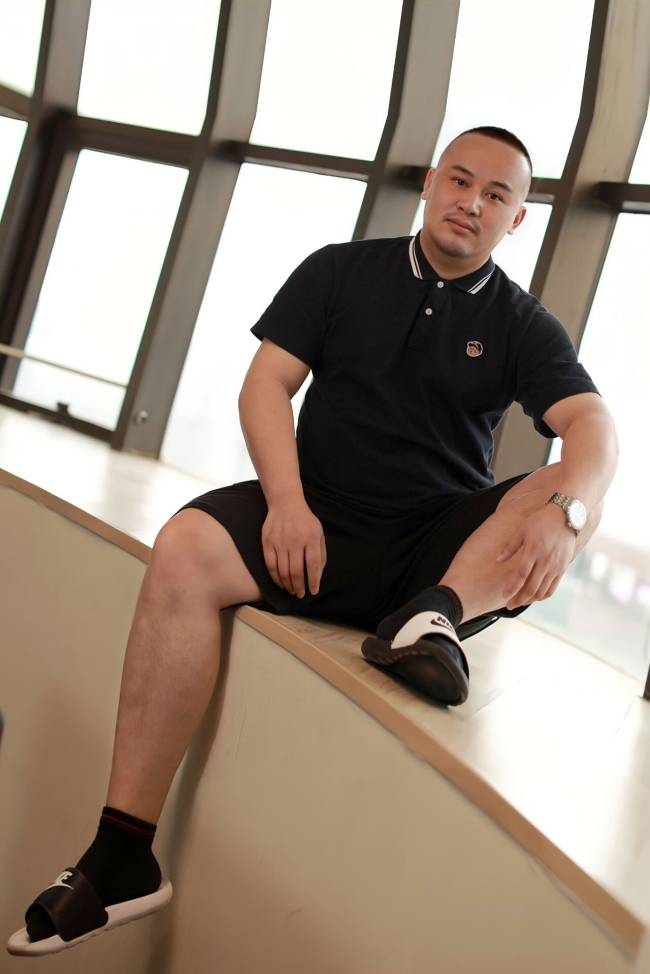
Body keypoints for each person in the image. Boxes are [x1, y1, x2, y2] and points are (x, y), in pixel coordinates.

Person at [8, 126, 618, 956]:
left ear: (517, 220)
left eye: (496, 195)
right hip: (314, 526)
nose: (471, 203)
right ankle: (120, 856)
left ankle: (434, 619)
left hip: (435, 555)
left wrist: (569, 510)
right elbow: (267, 385)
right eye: (460, 180)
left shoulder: (521, 323)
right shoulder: (339, 271)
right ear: (430, 183)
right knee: (182, 548)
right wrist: (286, 504)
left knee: (573, 490)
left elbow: (593, 426)